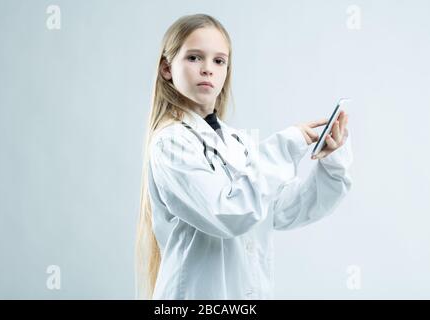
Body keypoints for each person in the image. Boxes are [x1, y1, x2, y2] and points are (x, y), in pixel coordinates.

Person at [135, 13, 352, 300]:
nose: (207, 69)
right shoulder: (170, 143)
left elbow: (283, 210)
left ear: (227, 71)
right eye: (194, 58)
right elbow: (229, 214)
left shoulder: (238, 142)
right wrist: (287, 145)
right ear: (166, 68)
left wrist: (330, 165)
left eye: (218, 61)